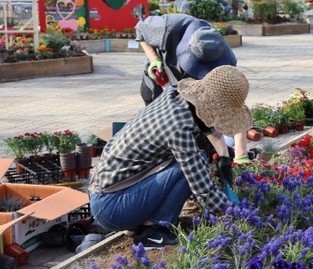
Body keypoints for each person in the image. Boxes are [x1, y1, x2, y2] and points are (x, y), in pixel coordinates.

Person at [89, 65, 253, 248]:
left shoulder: (176, 97)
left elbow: (207, 124)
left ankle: (139, 221)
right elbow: (203, 189)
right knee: (191, 166)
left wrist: (224, 158)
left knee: (192, 159)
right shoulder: (179, 128)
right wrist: (236, 215)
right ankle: (153, 231)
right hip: (113, 206)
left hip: (113, 191)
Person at [136, 13, 252, 163]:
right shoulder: (169, 27)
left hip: (185, 86)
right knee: (163, 125)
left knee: (198, 122)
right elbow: (140, 29)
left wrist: (240, 154)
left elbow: (234, 105)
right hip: (158, 78)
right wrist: (154, 59)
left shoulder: (225, 61)